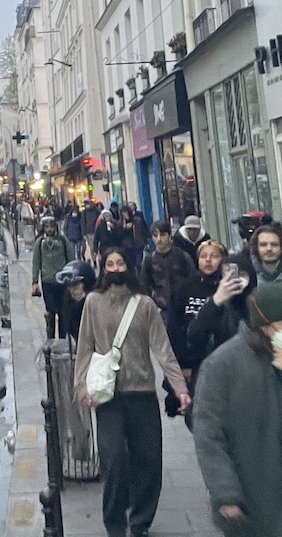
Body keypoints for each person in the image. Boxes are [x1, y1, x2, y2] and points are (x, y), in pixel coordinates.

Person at [193, 283, 282, 536]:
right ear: (264, 323)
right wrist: (226, 494)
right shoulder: (222, 365)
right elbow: (209, 435)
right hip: (253, 498)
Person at [74, 248, 189, 537]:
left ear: (129, 266)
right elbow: (84, 347)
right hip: (108, 395)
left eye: (120, 263)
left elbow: (163, 350)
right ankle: (114, 523)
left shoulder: (145, 305)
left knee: (149, 461)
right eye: (110, 264)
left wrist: (180, 389)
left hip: (142, 392)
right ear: (103, 268)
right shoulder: (93, 302)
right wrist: (81, 387)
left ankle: (140, 523)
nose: (115, 268)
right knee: (114, 461)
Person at [169, 240, 227, 424]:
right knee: (197, 413)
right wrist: (182, 363)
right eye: (203, 256)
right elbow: (175, 326)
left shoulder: (227, 287)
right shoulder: (186, 287)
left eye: (214, 256)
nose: (208, 261)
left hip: (222, 356)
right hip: (194, 360)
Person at [30, 216, 75, 339]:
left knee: (63, 311)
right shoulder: (39, 242)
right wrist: (34, 281)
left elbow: (71, 259)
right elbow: (36, 262)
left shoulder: (63, 241)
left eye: (51, 226)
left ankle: (62, 338)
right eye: (47, 227)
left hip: (62, 281)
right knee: (50, 311)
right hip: (47, 281)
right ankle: (50, 337)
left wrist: (72, 279)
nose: (49, 229)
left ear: (55, 226)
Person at [139, 221, 194, 317]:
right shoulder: (149, 260)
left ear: (169, 235)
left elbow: (193, 279)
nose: (159, 239)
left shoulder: (182, 256)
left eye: (163, 235)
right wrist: (153, 307)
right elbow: (144, 285)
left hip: (183, 307)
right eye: (155, 236)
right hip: (162, 309)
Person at [54, 259, 96, 342]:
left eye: (76, 285)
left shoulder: (96, 306)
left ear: (86, 285)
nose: (72, 290)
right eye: (69, 286)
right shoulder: (68, 306)